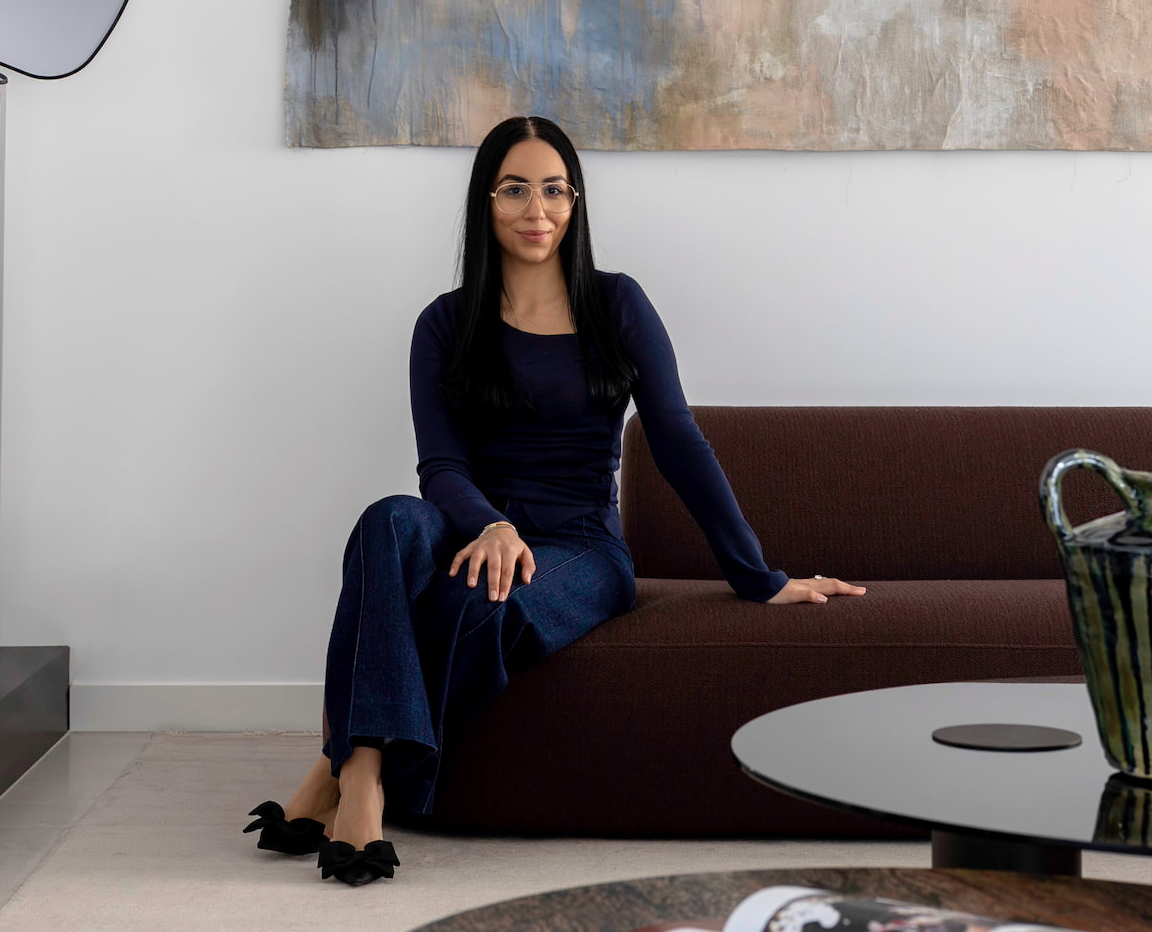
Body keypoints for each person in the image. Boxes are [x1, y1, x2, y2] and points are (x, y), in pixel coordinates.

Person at [243, 116, 866, 886]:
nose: (536, 210)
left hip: (580, 545)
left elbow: (676, 440)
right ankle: (363, 777)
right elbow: (439, 467)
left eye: (554, 190)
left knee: (483, 604)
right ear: (485, 201)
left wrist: (759, 576)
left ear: (575, 202)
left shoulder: (618, 305)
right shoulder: (443, 323)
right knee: (388, 522)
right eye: (514, 189)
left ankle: (338, 771)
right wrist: (493, 524)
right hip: (472, 525)